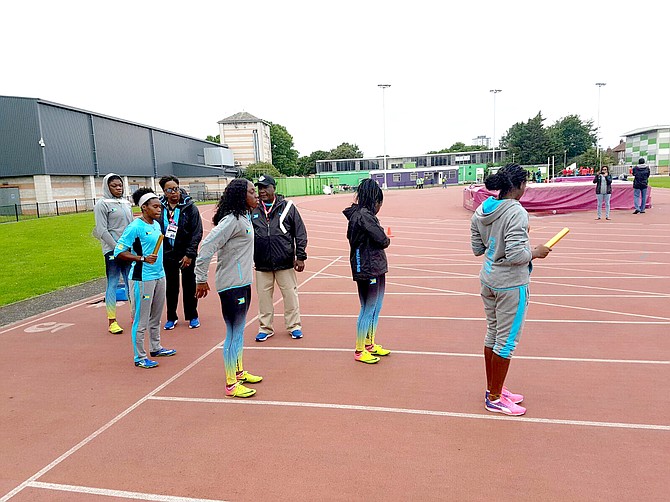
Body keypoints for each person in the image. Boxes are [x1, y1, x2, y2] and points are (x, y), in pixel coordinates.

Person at [470, 163, 551, 416]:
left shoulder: (483, 208)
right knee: (506, 342)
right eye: (525, 184)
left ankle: (494, 388)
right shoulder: (516, 211)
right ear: (517, 186)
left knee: (493, 335)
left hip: (489, 278)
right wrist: (535, 252)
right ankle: (494, 397)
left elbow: (477, 247)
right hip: (511, 285)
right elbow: (517, 254)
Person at [195, 179, 263, 398]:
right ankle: (231, 384)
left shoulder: (244, 217)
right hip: (231, 285)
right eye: (252, 192)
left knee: (240, 330)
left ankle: (239, 371)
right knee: (233, 333)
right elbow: (206, 246)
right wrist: (201, 278)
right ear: (240, 196)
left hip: (244, 282)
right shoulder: (231, 220)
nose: (257, 195)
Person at [114, 188, 176, 369]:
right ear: (144, 208)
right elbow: (119, 252)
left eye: (160, 207)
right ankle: (139, 356)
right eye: (155, 207)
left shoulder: (156, 225)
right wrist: (141, 258)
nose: (159, 210)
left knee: (156, 317)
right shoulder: (134, 227)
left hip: (159, 275)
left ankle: (156, 347)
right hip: (142, 278)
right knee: (142, 319)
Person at [252, 175, 308, 342]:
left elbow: (300, 232)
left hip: (284, 262)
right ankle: (265, 328)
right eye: (259, 188)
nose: (261, 191)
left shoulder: (288, 207)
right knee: (263, 298)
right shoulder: (253, 209)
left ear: (273, 188)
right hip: (262, 263)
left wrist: (301, 256)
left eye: (265, 187)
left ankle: (294, 326)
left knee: (290, 295)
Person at [342, 179, 392, 364]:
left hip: (375, 265)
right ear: (374, 201)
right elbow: (382, 239)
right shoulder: (363, 216)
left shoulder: (363, 215)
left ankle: (369, 344)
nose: (380, 207)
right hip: (366, 267)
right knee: (368, 308)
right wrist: (385, 239)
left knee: (375, 307)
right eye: (379, 203)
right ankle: (359, 349)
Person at [158, 175, 203, 330]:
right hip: (168, 253)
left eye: (176, 189)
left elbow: (197, 232)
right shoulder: (160, 207)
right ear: (164, 191)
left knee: (189, 284)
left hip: (186, 253)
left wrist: (190, 254)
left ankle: (192, 315)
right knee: (171, 286)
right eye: (169, 190)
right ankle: (171, 316)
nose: (174, 193)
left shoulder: (189, 207)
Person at [93, 173, 133, 334]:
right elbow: (102, 230)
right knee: (114, 282)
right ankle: (112, 321)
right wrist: (117, 248)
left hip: (128, 249)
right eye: (114, 186)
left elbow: (130, 225)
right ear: (106, 187)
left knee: (131, 281)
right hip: (112, 250)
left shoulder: (126, 202)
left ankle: (134, 314)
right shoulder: (101, 204)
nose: (118, 188)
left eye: (120, 185)